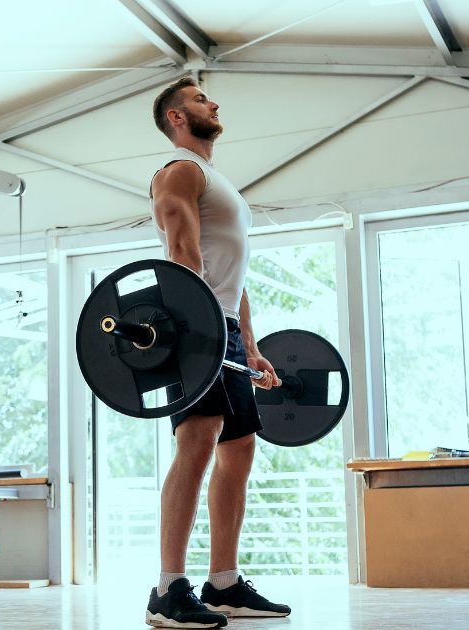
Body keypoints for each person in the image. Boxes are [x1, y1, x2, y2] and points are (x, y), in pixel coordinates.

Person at [144, 76, 293, 629]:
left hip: (223, 324)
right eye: (200, 99)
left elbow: (235, 274)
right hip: (192, 321)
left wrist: (248, 345)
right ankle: (167, 589)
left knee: (239, 447)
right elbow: (181, 250)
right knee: (198, 440)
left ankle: (223, 583)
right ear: (177, 119)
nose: (214, 103)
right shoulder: (179, 171)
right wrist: (198, 330)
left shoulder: (218, 182)